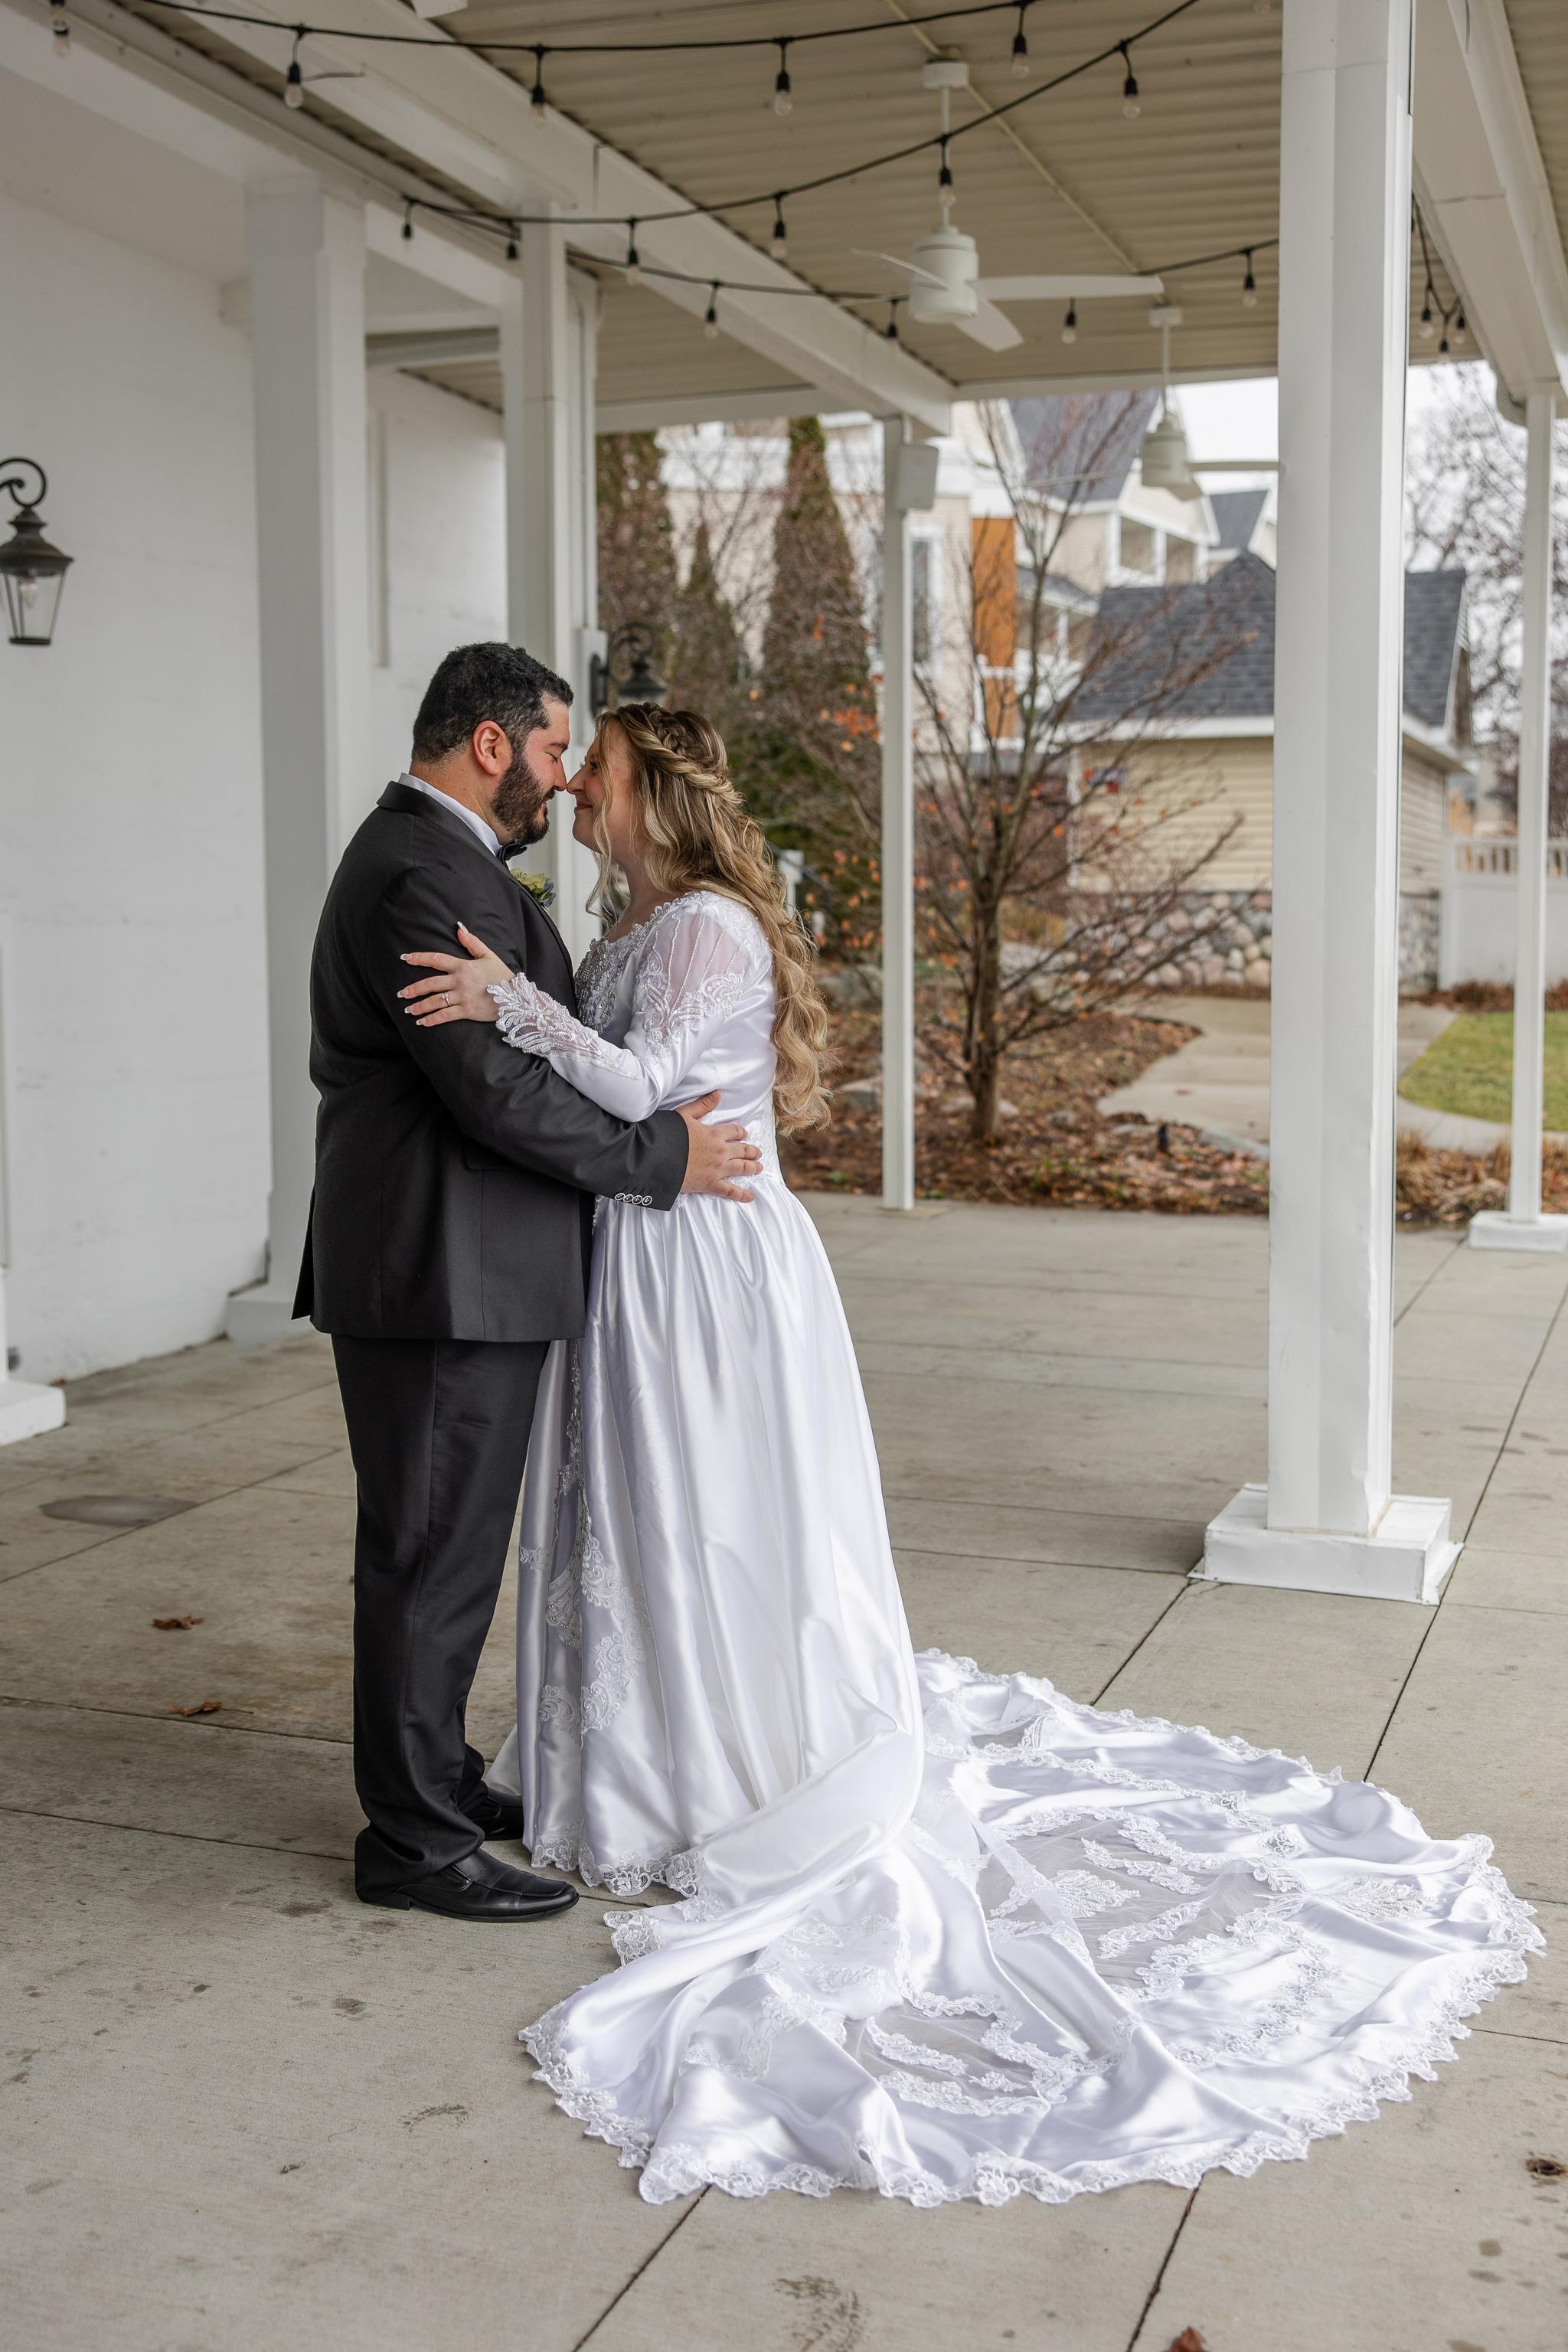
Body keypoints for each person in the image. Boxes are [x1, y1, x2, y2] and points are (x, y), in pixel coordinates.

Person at [397, 701, 1540, 2208]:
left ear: (654, 801)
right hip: (643, 1257)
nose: (578, 796)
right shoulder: (635, 927)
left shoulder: (710, 932)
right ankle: (640, 1758)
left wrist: (502, 1002)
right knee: (642, 1525)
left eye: (595, 777)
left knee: (709, 1521)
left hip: (707, 1275)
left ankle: (716, 1765)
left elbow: (628, 1086)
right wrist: (529, 999)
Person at [298, 644, 761, 1923]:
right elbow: (492, 1088)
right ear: (492, 744)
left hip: (465, 1267)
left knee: (444, 1548)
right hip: (437, 1269)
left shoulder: (441, 860)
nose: (562, 785)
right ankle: (412, 1843)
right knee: (426, 1552)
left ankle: (435, 1776)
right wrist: (658, 1157)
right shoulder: (415, 872)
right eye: (557, 752)